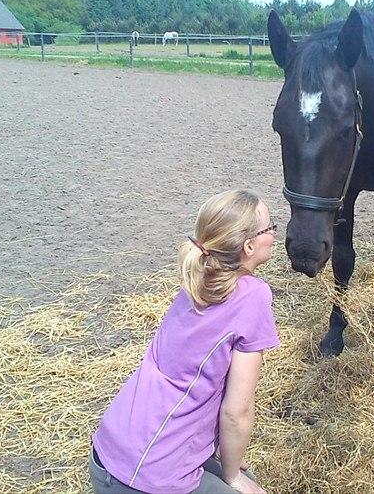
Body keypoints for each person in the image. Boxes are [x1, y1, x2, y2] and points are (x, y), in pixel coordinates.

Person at [90, 189, 279, 494]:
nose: (273, 234)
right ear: (248, 245)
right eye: (270, 228)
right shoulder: (253, 296)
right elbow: (236, 412)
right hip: (147, 478)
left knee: (244, 476)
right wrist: (231, 475)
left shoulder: (198, 277)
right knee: (247, 485)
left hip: (108, 453)